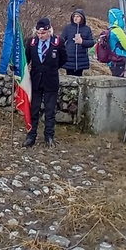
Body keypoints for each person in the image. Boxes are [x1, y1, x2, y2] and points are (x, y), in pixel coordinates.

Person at [23, 18, 67, 147]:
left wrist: (51, 68)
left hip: (51, 80)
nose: (40, 36)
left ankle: (49, 136)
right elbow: (26, 59)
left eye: (43, 33)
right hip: (36, 80)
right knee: (34, 110)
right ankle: (31, 136)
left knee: (50, 110)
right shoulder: (31, 42)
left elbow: (63, 59)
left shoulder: (58, 42)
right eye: (38, 33)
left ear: (49, 31)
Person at [60, 9, 94, 76]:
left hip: (81, 58)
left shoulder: (87, 29)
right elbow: (62, 39)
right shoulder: (68, 28)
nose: (75, 18)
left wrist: (82, 42)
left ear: (82, 18)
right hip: (69, 57)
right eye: (74, 16)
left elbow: (91, 42)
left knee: (79, 77)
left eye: (78, 16)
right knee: (69, 77)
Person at [107, 8, 126, 77]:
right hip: (118, 60)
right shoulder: (117, 30)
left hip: (112, 61)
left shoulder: (110, 30)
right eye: (122, 18)